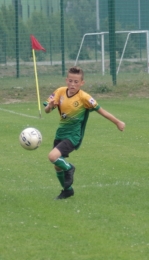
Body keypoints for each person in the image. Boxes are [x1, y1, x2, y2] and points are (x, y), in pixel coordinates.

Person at [43, 66, 125, 199]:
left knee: (53, 157)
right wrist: (50, 106)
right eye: (70, 81)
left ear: (82, 83)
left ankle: (70, 168)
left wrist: (117, 122)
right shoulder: (60, 92)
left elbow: (101, 110)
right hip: (60, 134)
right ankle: (68, 190)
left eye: (76, 82)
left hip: (73, 136)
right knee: (57, 166)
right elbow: (47, 110)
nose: (72, 84)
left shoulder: (85, 98)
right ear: (66, 80)